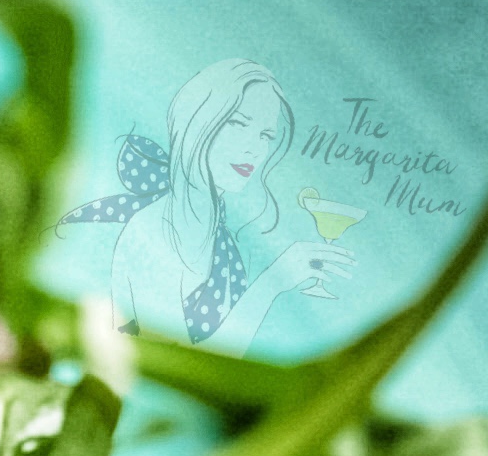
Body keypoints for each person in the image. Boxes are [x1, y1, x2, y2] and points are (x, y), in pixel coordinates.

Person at [66, 61, 351, 346]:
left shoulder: (217, 235)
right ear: (197, 121)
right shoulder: (155, 232)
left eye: (266, 135)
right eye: (239, 124)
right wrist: (271, 284)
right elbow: (184, 364)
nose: (254, 147)